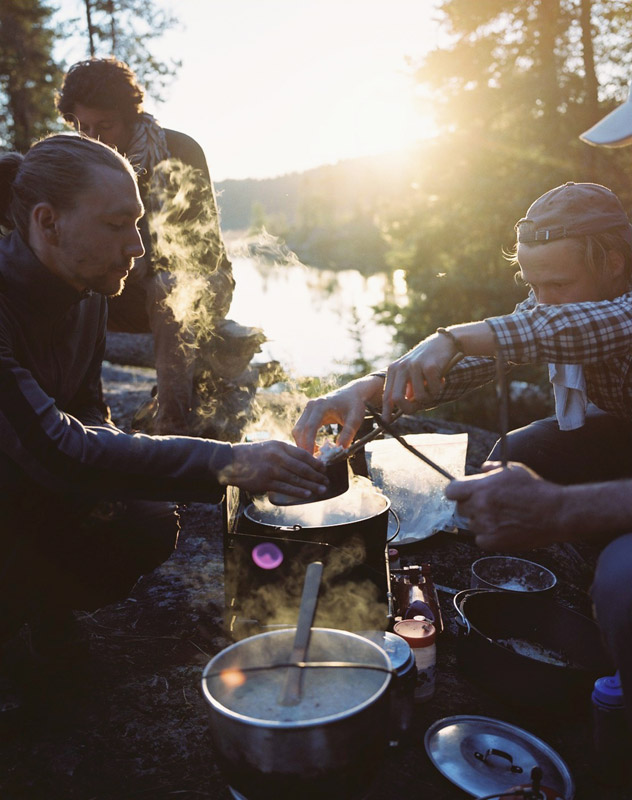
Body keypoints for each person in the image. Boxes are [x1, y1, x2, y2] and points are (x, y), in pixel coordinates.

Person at [0, 133, 327, 670]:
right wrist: (229, 462)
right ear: (48, 221)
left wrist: (117, 479)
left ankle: (45, 607)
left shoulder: (87, 293)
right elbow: (54, 449)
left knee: (143, 520)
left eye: (138, 224)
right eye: (116, 225)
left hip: (25, 478)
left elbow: (87, 411)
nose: (138, 247)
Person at [293, 181, 632, 490]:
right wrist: (369, 389)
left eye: (558, 284)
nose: (541, 303)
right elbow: (494, 349)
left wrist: (451, 339)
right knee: (517, 455)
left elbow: (563, 329)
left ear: (614, 264)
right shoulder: (552, 299)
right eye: (533, 286)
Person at [56, 57, 235, 435]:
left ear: (130, 116)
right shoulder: (77, 165)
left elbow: (201, 252)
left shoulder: (179, 150)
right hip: (117, 285)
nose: (93, 139)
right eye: (83, 127)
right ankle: (83, 418)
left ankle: (171, 424)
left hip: (198, 283)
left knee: (169, 286)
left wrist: (136, 258)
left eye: (105, 126)